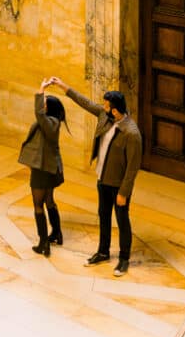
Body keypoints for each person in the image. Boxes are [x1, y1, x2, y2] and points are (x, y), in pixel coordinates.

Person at [45, 77, 141, 277]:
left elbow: (132, 168)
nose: (103, 107)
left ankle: (124, 259)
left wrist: (124, 192)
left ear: (115, 110)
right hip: (102, 179)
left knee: (122, 220)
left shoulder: (131, 133)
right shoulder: (105, 116)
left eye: (106, 106)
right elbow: (85, 102)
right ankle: (103, 252)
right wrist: (63, 86)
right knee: (103, 216)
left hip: (118, 185)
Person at [17, 79, 67, 257]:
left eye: (45, 104)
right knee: (49, 201)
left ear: (50, 108)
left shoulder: (50, 123)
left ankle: (43, 243)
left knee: (38, 205)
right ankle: (57, 234)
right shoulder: (52, 122)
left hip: (43, 169)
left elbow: (38, 114)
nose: (42, 106)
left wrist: (41, 90)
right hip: (50, 167)